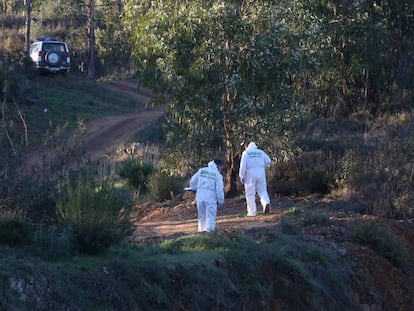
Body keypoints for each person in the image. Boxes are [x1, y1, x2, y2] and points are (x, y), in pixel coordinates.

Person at [189, 159, 225, 232]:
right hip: (211, 197)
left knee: (201, 216)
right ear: (218, 166)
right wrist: (221, 201)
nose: (221, 169)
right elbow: (219, 190)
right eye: (221, 167)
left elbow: (193, 181)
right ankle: (209, 233)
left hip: (200, 196)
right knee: (210, 216)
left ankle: (201, 232)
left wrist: (194, 189)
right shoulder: (217, 175)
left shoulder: (202, 170)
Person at [239, 142, 271, 216]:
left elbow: (243, 166)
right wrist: (263, 167)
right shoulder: (260, 152)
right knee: (262, 190)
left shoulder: (246, 153)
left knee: (250, 193)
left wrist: (242, 176)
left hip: (250, 174)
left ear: (247, 146)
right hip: (261, 172)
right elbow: (268, 161)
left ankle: (252, 212)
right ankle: (266, 203)